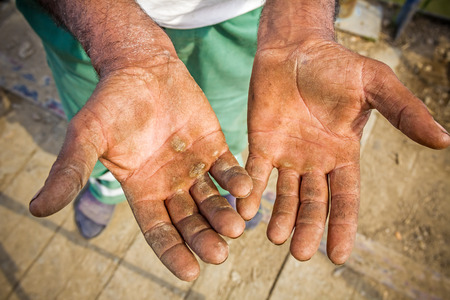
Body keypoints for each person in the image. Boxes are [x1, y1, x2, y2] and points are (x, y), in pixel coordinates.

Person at [18, 0, 450, 282]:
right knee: (113, 135)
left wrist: (300, 24)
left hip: (245, 15)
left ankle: (228, 183)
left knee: (230, 125)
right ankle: (106, 187)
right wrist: (120, 48)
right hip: (85, 19)